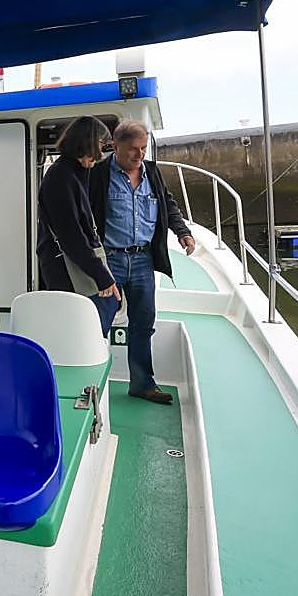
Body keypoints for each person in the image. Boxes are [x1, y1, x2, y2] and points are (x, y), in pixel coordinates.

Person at [89, 120, 196, 405]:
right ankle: (89, 387)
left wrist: (183, 233)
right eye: (133, 149)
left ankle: (142, 384)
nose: (139, 155)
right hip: (109, 260)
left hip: (142, 261)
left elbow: (168, 205)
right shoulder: (98, 175)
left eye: (143, 148)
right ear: (116, 146)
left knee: (143, 323)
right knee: (98, 324)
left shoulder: (153, 174)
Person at [37, 116, 121, 328]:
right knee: (89, 321)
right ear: (88, 141)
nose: (102, 154)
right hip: (65, 267)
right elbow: (70, 234)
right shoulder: (61, 177)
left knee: (102, 310)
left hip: (73, 262)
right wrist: (101, 275)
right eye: (103, 146)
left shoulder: (73, 173)